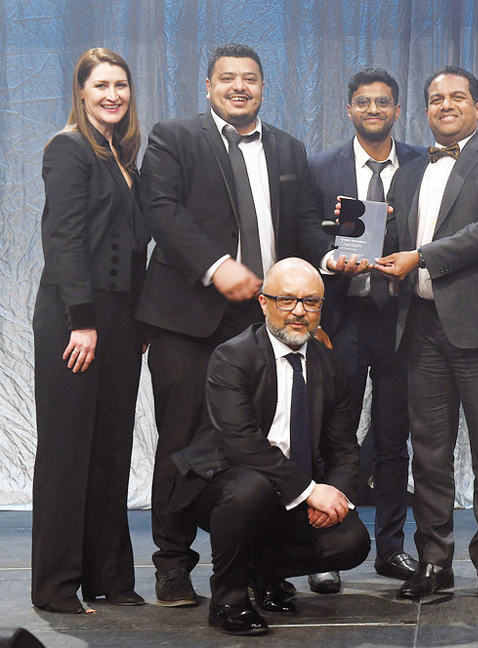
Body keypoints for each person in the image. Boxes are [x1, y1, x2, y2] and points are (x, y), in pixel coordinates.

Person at [137, 43, 342, 607]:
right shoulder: (173, 137)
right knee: (181, 441)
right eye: (227, 79)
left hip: (265, 320)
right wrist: (216, 265)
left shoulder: (288, 148)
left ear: (261, 86)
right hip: (188, 318)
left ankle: (258, 566)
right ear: (208, 87)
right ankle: (173, 566)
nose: (238, 87)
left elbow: (302, 228)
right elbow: (162, 210)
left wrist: (331, 260)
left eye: (249, 79)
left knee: (266, 438)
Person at [375, 66, 478, 600]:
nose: (446, 105)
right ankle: (433, 561)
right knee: (430, 453)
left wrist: (421, 257)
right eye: (436, 98)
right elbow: (391, 235)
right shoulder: (412, 169)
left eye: (457, 97)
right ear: (425, 110)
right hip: (420, 329)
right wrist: (352, 244)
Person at [168, 258, 370, 636]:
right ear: (263, 303)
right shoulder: (233, 356)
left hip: (290, 489)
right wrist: (310, 492)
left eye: (310, 302)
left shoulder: (331, 365)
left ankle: (263, 575)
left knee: (351, 541)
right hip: (222, 482)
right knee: (252, 487)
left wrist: (336, 494)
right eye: (286, 300)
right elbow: (241, 443)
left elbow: (344, 446)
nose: (299, 312)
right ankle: (228, 599)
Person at [31, 48, 147, 614]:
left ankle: (109, 579)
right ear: (81, 92)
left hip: (121, 322)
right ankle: (56, 588)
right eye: (101, 85)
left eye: (120, 85)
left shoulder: (123, 156)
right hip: (77, 317)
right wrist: (84, 323)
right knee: (67, 453)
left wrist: (137, 321)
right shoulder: (69, 148)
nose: (112, 95)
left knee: (110, 452)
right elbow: (65, 240)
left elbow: (135, 246)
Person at [306, 67, 423, 592]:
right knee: (335, 434)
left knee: (395, 437)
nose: (373, 109)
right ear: (348, 109)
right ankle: (327, 551)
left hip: (402, 321)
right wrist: (332, 259)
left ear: (398, 110)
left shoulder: (422, 164)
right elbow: (303, 232)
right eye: (363, 102)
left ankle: (391, 549)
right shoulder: (320, 166)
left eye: (383, 102)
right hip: (342, 320)